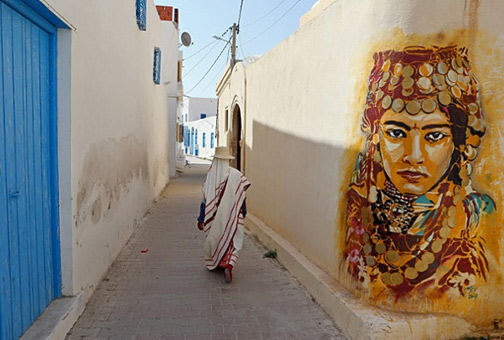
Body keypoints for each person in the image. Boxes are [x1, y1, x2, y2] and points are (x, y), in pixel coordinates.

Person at [344, 46, 495, 300]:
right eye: (396, 133)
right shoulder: (358, 203)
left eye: (434, 136)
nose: (414, 156)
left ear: (459, 144)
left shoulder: (476, 218)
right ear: (376, 138)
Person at [197, 146, 250, 283]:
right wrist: (243, 212)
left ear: (215, 159)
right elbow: (242, 196)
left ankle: (219, 261)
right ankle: (229, 264)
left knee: (216, 239)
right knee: (232, 240)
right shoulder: (236, 175)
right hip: (234, 215)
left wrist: (201, 219)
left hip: (214, 218)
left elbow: (205, 201)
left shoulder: (210, 177)